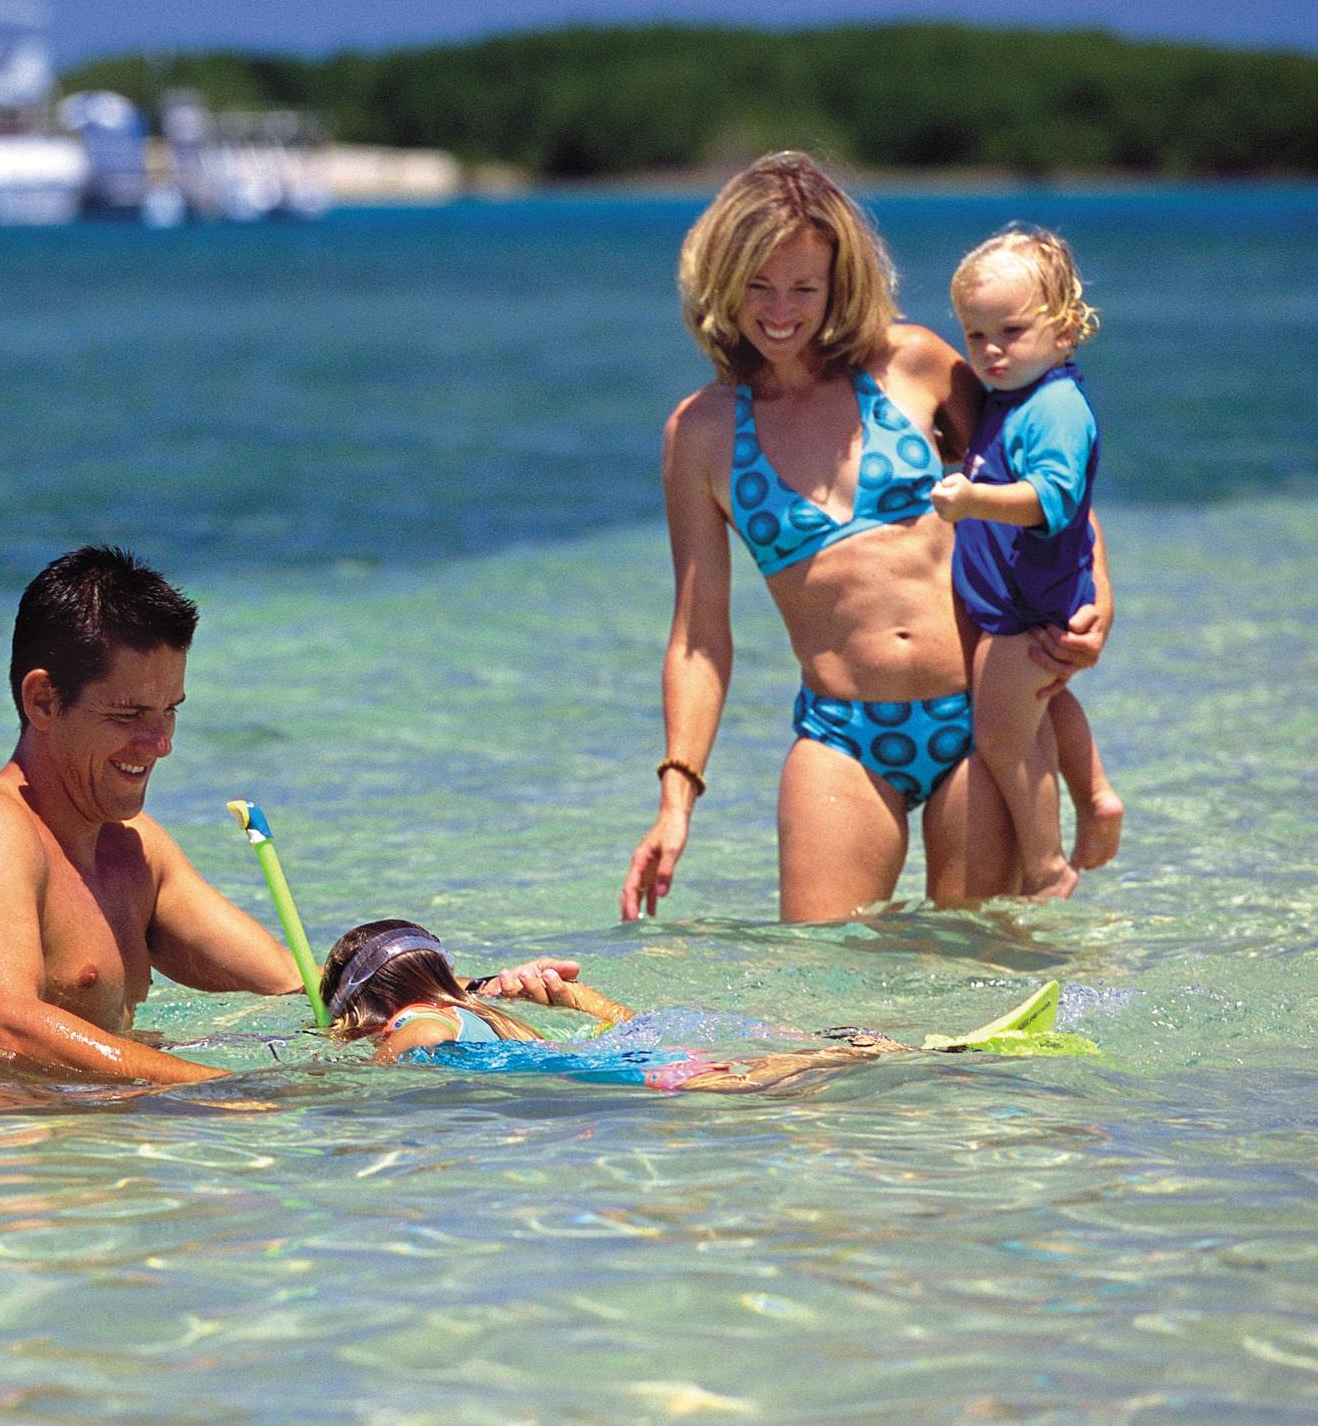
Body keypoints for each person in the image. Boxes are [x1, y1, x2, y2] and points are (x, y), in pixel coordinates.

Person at [622, 153, 1119, 924]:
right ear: (722, 282)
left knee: (971, 994)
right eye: (758, 284)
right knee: (824, 1001)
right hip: (842, 737)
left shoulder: (910, 362)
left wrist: (1101, 602)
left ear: (838, 281)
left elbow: (1051, 479)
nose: (780, 309)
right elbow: (698, 637)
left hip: (976, 722)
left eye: (803, 286)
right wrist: (675, 797)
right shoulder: (701, 433)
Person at [0, 545, 570, 1085]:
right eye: (128, 715)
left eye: (170, 712)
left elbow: (299, 987)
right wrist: (219, 1090)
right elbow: (1, 1029)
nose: (161, 744)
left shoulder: (135, 852)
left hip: (106, 1151)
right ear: (42, 701)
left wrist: (466, 989)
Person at [321, 920, 1058, 1091]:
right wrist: (571, 994)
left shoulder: (414, 1022)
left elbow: (408, 1050)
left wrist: (344, 1073)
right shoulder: (488, 1013)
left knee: (764, 1081)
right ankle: (910, 1049)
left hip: (632, 1079)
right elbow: (626, 1026)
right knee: (783, 1068)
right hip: (635, 1052)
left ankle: (932, 1058)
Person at [930, 228, 1113, 901]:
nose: (991, 351)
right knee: (1044, 703)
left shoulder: (1057, 407)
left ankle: (1046, 866)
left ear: (1065, 332)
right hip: (1019, 604)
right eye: (976, 336)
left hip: (1026, 610)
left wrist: (975, 498)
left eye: (1011, 330)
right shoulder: (1014, 399)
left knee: (1002, 737)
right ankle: (1095, 795)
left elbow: (1053, 502)